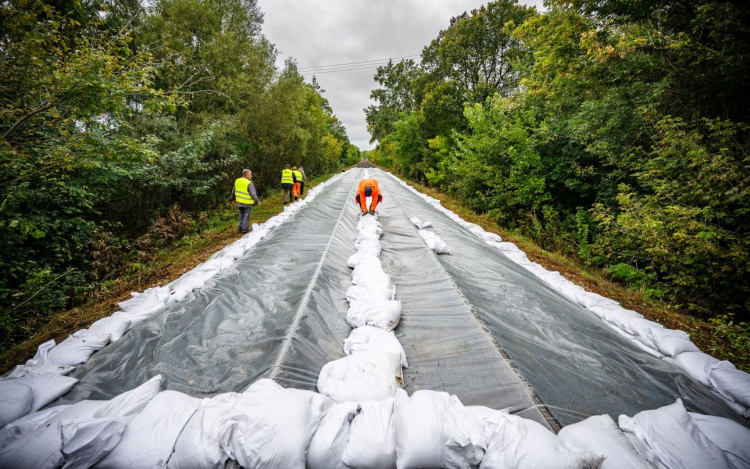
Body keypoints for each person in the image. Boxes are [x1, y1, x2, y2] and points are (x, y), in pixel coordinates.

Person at [230, 169, 260, 233]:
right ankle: (245, 229)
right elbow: (253, 194)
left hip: (239, 201)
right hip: (247, 202)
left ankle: (240, 227)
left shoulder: (237, 180)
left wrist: (233, 199)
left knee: (241, 214)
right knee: (246, 215)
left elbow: (233, 191)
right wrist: (257, 201)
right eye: (250, 174)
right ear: (246, 175)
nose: (251, 176)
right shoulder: (249, 183)